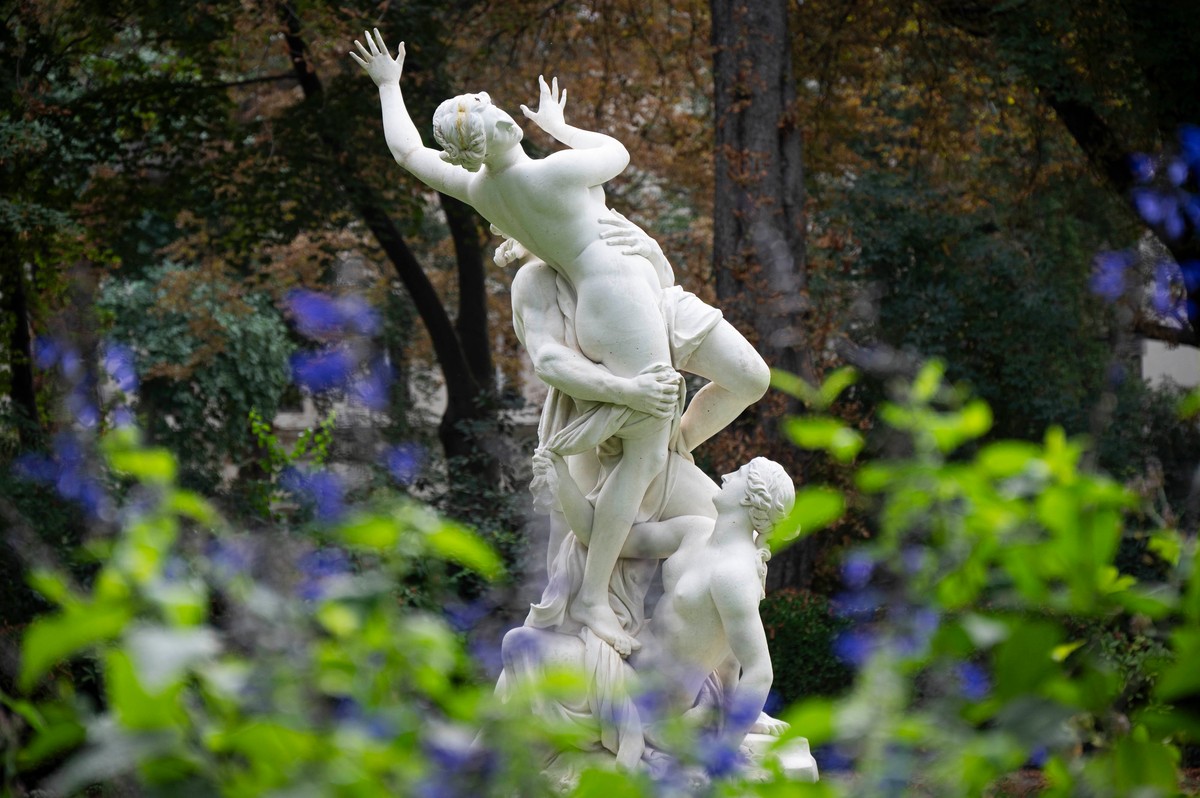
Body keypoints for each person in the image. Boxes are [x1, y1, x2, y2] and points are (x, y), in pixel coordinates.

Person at [352, 30, 768, 655]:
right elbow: (616, 153)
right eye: (494, 116)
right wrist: (561, 125)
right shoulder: (550, 173)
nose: (504, 114)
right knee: (642, 455)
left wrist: (390, 87)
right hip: (617, 304)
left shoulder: (480, 188)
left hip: (654, 283)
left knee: (750, 379)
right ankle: (595, 597)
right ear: (485, 139)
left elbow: (409, 153)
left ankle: (679, 442)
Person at [541, 451, 795, 748]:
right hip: (629, 658)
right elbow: (600, 538)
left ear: (752, 498)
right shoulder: (696, 530)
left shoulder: (734, 575)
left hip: (654, 695)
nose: (726, 476)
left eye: (738, 474)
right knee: (530, 646)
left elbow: (759, 670)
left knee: (521, 647)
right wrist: (562, 479)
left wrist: (726, 753)